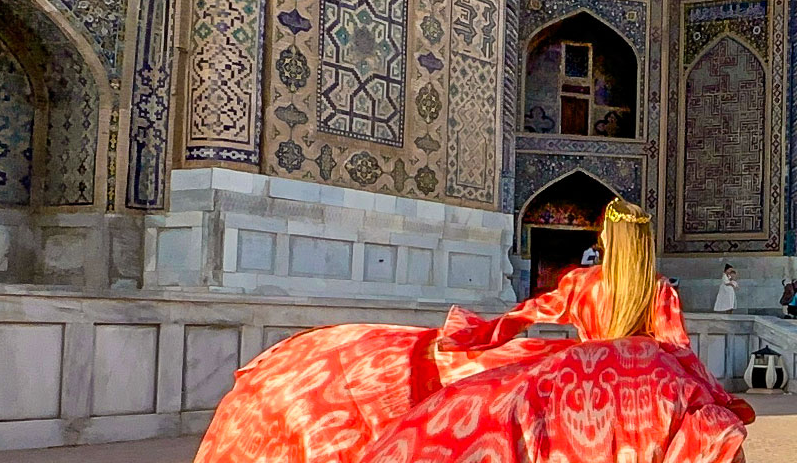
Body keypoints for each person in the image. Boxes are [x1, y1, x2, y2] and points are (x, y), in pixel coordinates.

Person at [196, 198, 750, 463]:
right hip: (631, 402)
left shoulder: (583, 282)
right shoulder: (658, 291)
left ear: (606, 237)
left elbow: (521, 317)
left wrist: (471, 337)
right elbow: (677, 352)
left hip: (572, 384)